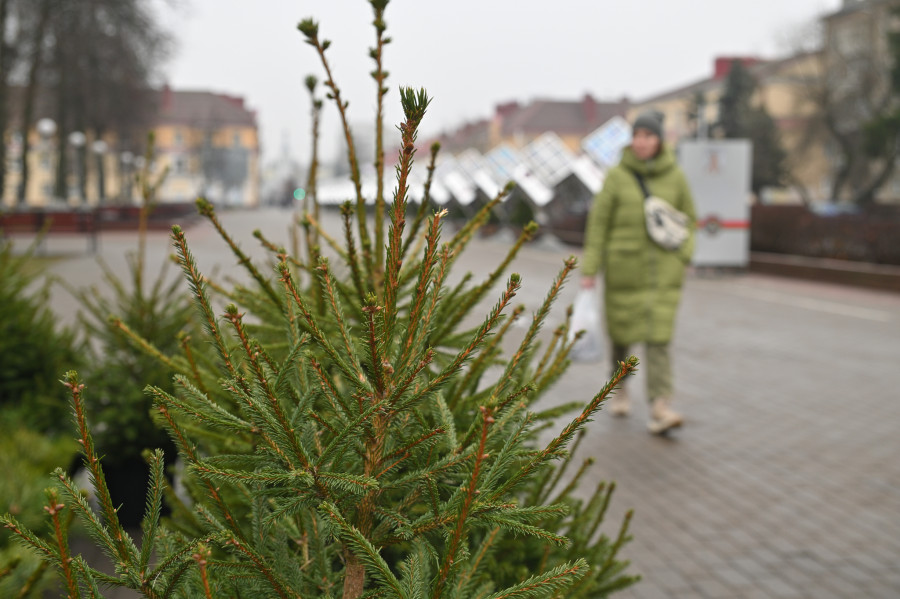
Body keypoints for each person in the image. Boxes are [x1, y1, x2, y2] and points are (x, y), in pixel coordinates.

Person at [580, 109, 696, 435]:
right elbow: (598, 225)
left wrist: (684, 255)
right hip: (624, 273)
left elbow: (690, 219)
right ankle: (619, 387)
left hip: (664, 274)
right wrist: (590, 270)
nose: (642, 142)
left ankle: (660, 406)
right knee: (621, 338)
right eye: (637, 135)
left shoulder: (676, 177)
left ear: (659, 140)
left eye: (648, 135)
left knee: (659, 339)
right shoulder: (616, 177)